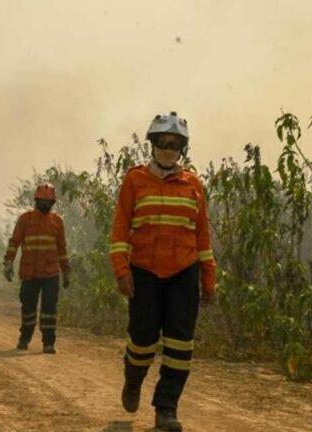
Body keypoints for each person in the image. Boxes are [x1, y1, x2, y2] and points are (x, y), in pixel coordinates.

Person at [109, 112, 217, 431]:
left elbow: (203, 238)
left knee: (180, 345)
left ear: (182, 148)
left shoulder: (193, 185)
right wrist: (121, 270)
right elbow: (119, 230)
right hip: (143, 271)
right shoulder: (134, 180)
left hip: (183, 273)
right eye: (163, 143)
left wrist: (208, 279)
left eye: (175, 144)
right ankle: (133, 378)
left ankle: (166, 408)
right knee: (142, 341)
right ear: (153, 144)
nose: (168, 149)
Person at [3, 182, 70, 354]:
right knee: (28, 309)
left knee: (49, 309)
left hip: (51, 273)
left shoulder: (57, 222)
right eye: (43, 201)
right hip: (29, 272)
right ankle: (24, 338)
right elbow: (15, 242)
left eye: (49, 202)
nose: (46, 204)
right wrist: (8, 262)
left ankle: (48, 342)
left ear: (53, 203)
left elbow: (62, 249)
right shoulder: (25, 220)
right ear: (37, 200)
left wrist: (66, 272)